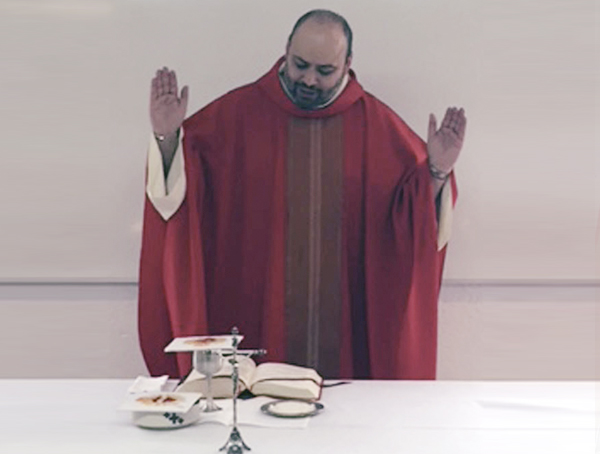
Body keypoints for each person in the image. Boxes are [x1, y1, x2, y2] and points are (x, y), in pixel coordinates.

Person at [139, 9, 466, 380]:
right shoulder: (235, 116)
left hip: (347, 346)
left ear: (348, 64)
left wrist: (437, 172)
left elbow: (414, 223)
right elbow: (180, 201)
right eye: (300, 65)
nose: (309, 80)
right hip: (252, 324)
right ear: (286, 51)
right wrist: (167, 139)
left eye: (325, 71)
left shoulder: (378, 127)